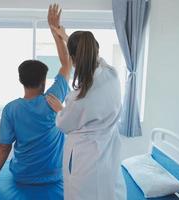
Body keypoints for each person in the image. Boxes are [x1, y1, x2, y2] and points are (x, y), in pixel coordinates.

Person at [0, 5, 71, 186]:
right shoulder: (53, 100)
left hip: (23, 176)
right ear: (43, 82)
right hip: (55, 175)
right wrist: (55, 30)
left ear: (21, 81)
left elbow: (4, 147)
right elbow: (66, 64)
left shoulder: (11, 109)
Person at [46, 6, 127, 200]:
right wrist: (63, 36)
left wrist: (59, 109)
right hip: (109, 151)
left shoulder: (80, 97)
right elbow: (86, 57)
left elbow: (63, 125)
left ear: (73, 59)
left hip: (86, 159)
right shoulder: (111, 74)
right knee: (109, 191)